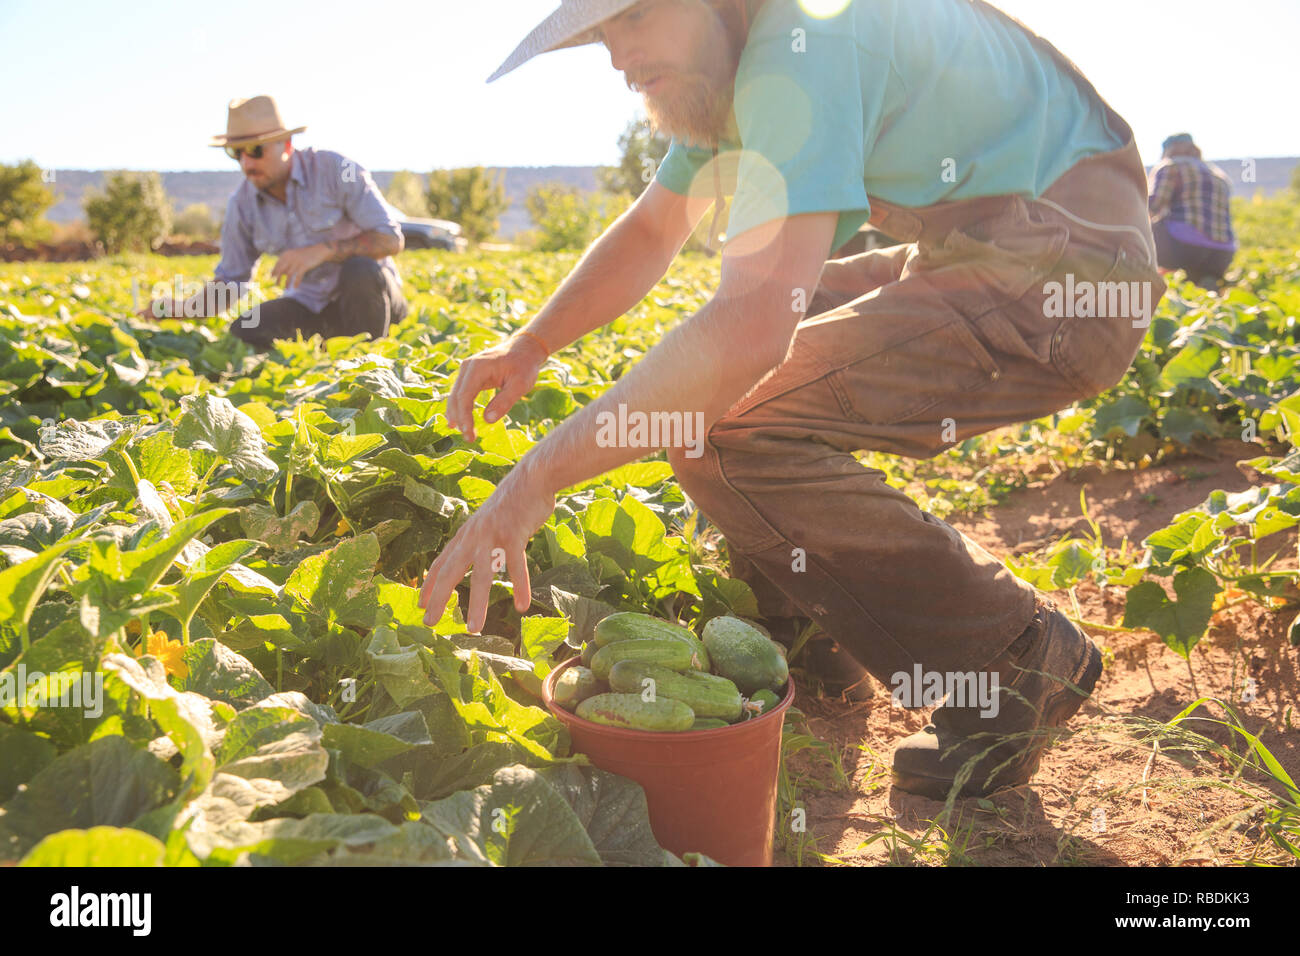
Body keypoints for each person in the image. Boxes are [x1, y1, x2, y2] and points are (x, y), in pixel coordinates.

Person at [417, 0, 1167, 800]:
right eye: (604, 32)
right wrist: (531, 344)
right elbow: (653, 230)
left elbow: (748, 328)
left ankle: (1014, 657)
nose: (616, 58)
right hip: (981, 249)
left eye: (632, 18)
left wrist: (533, 479)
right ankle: (812, 634)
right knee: (720, 362)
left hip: (1073, 275)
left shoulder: (800, 43)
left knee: (722, 423)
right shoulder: (736, 65)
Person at [138, 95, 408, 347]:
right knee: (244, 330)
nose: (246, 162)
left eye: (255, 150)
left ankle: (369, 366)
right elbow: (231, 281)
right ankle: (327, 351)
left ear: (286, 145)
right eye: (236, 153)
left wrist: (323, 252)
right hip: (312, 305)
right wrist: (181, 308)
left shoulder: (338, 171)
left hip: (374, 301)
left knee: (360, 270)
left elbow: (391, 239)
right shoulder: (242, 205)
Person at [1148, 133, 1238, 288]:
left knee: (1138, 230)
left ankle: (1144, 280)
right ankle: (1203, 280)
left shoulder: (1170, 166)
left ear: (1168, 150)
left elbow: (1152, 207)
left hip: (1184, 248)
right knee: (1196, 281)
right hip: (1222, 254)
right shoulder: (1219, 175)